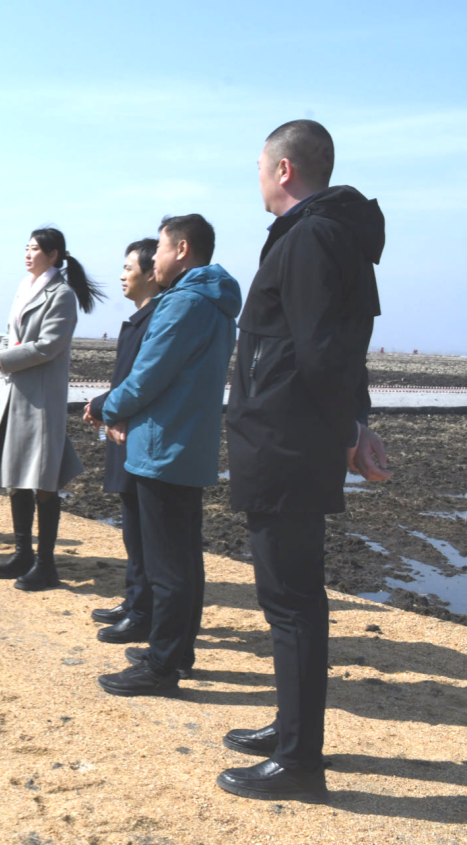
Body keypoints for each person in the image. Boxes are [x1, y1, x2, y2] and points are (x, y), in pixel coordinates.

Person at [218, 120, 389, 804]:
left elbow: (322, 351)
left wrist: (349, 429)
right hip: (287, 437)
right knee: (286, 599)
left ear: (283, 169)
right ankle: (291, 729)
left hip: (286, 442)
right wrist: (357, 422)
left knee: (291, 602)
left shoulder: (313, 236)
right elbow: (343, 346)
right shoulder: (322, 233)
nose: (257, 178)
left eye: (260, 166)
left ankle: (298, 761)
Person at [95, 214, 241, 696]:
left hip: (163, 447)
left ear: (181, 249)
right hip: (187, 445)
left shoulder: (183, 303)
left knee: (167, 566)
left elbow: (147, 377)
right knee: (183, 560)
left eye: (158, 248)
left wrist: (105, 407)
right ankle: (177, 651)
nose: (153, 257)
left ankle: (162, 667)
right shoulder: (214, 302)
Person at [0, 227, 102, 591]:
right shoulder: (26, 286)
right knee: (16, 477)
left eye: (34, 249)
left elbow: (49, 345)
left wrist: (5, 358)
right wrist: (0, 352)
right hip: (14, 394)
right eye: (26, 248)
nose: (27, 254)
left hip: (41, 399)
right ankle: (23, 554)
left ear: (54, 254)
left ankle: (46, 565)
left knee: (43, 481)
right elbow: (11, 332)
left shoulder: (61, 294)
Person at [84, 238, 162, 638]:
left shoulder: (156, 319)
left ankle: (143, 611)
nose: (121, 276)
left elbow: (141, 382)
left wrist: (107, 408)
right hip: (122, 429)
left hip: (135, 432)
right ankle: (134, 600)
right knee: (131, 525)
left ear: (152, 273)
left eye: (128, 268)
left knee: (143, 529)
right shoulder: (138, 318)